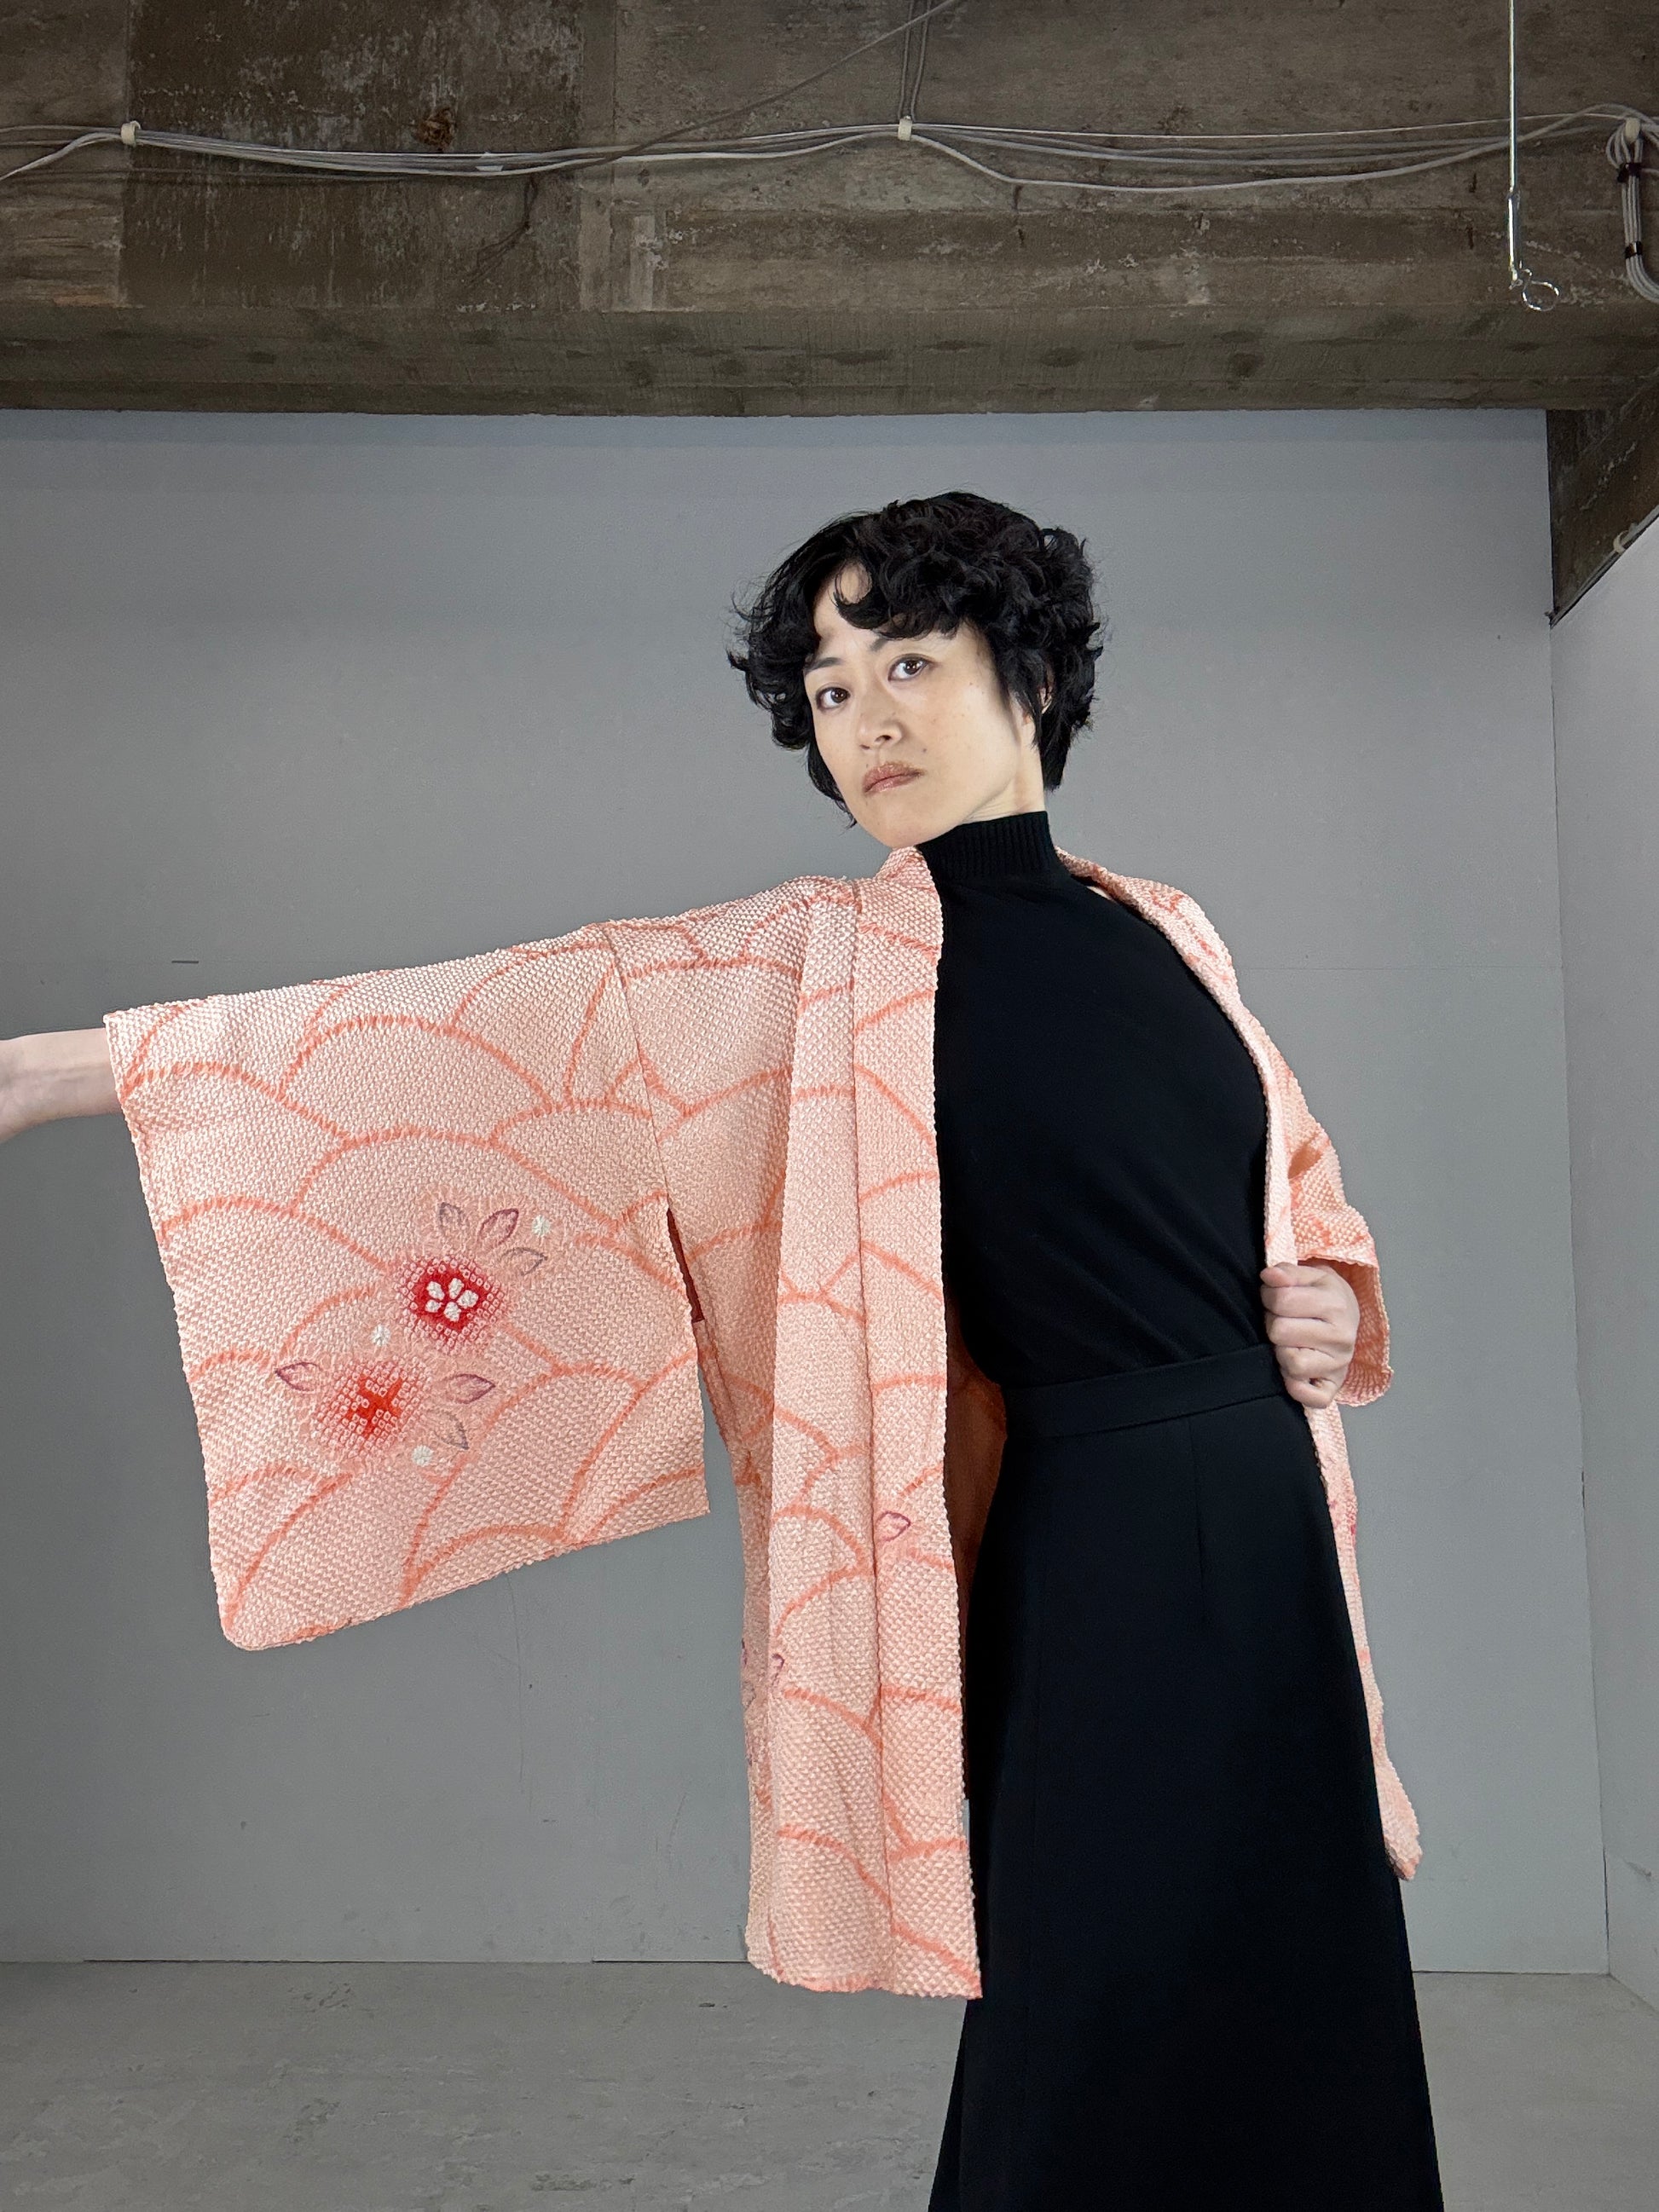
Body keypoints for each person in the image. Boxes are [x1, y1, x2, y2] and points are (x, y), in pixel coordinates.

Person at [0, 491, 1443, 2209]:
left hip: (1271, 1526)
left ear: (1035, 674)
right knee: (1091, 1988)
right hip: (1093, 1542)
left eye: (907, 662)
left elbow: (1291, 1193)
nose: (866, 718)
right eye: (828, 689)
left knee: (1300, 1977)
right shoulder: (805, 965)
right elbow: (493, 1023)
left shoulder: (1171, 928)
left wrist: (1324, 1294)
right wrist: (67, 1070)